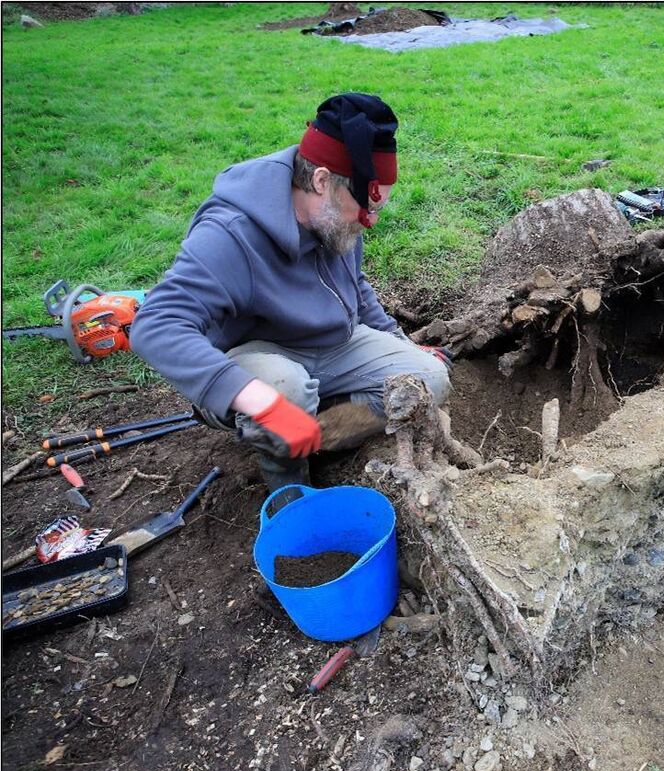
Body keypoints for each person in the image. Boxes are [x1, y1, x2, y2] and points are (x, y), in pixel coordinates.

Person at [131, 93, 450, 490]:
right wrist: (261, 402)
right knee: (287, 389)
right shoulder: (232, 233)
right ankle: (288, 481)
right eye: (367, 208)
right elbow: (155, 325)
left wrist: (400, 342)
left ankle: (315, 435)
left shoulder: (335, 215)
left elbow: (355, 285)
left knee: (427, 381)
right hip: (258, 355)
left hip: (335, 345)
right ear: (321, 180)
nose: (370, 222)